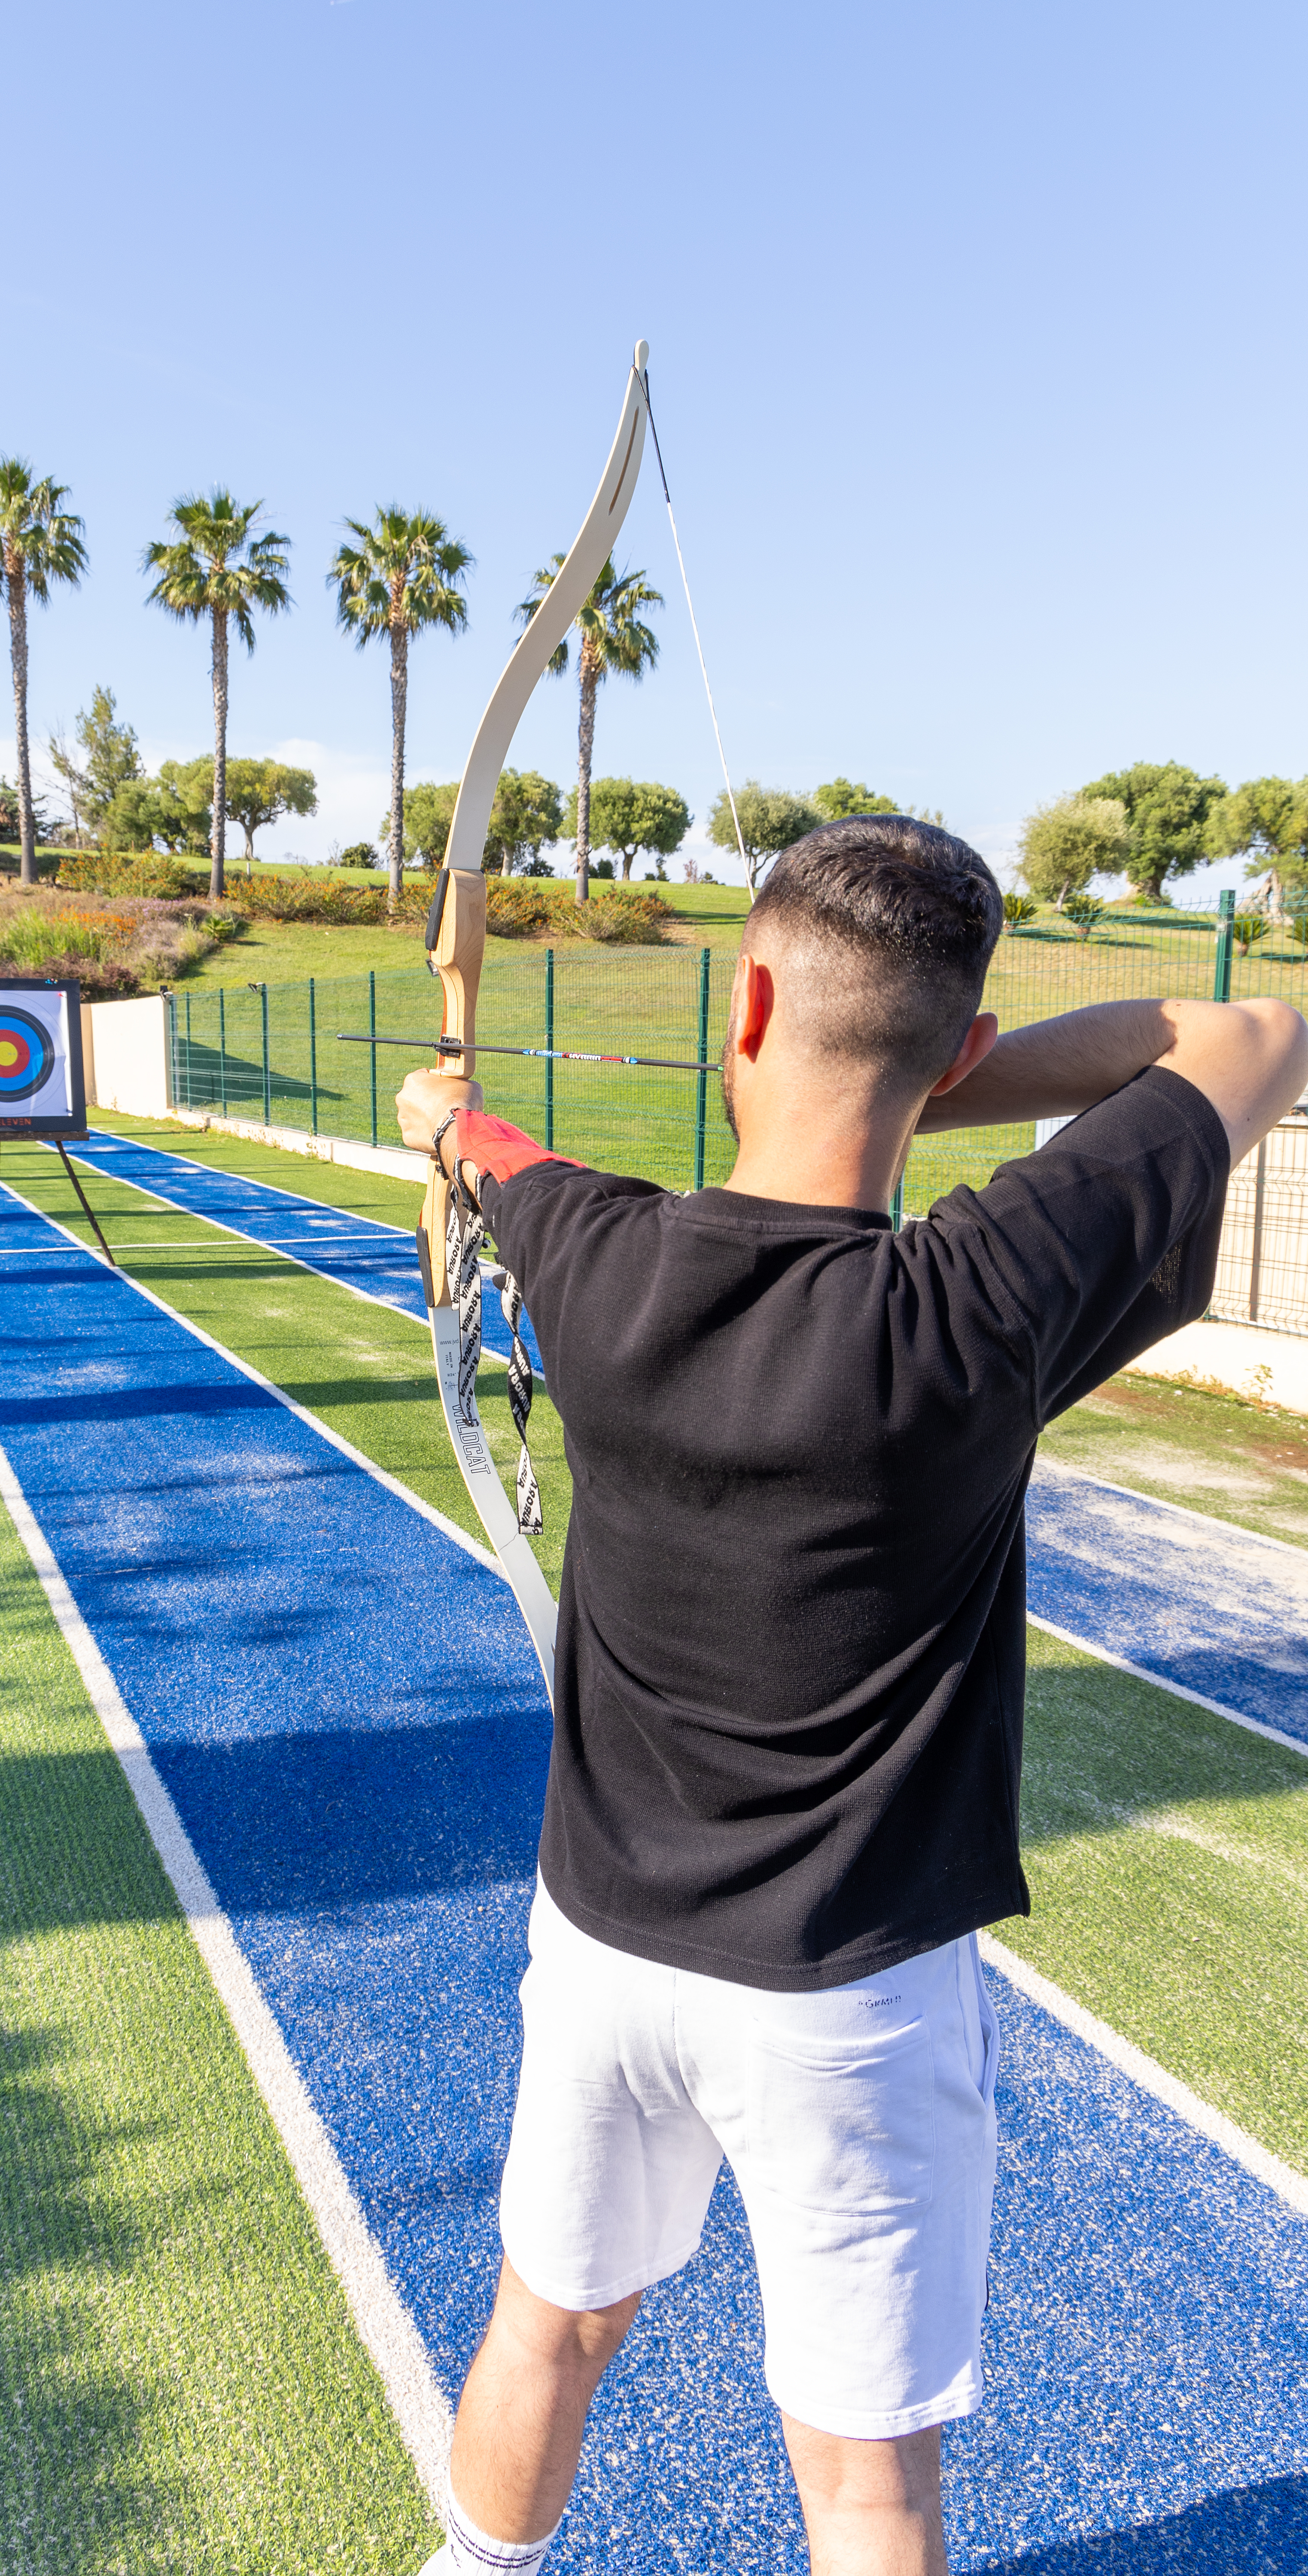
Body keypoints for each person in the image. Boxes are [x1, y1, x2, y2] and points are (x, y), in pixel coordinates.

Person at [395, 817, 1308, 2576]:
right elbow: (1252, 1032)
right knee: (863, 2481)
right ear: (961, 1052)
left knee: (546, 2326)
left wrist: (444, 1117)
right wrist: (926, 1077)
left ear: (745, 1005)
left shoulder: (598, 1253)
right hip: (849, 1996)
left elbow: (491, 1149)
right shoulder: (975, 1301)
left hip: (602, 1952)